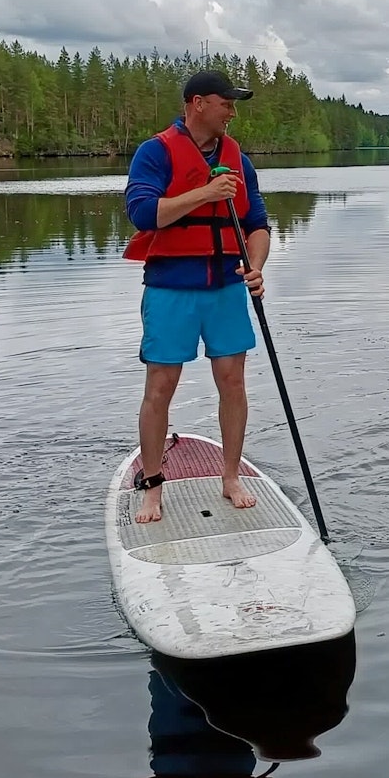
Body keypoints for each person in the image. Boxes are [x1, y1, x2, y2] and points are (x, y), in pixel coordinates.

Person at [123, 69, 271, 523]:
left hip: (227, 286)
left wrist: (257, 267)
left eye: (234, 103)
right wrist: (204, 192)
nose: (232, 111)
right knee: (161, 387)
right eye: (225, 102)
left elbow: (258, 223)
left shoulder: (236, 157)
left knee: (233, 382)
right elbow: (143, 212)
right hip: (172, 288)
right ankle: (152, 486)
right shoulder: (156, 152)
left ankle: (230, 476)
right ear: (198, 103)